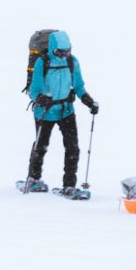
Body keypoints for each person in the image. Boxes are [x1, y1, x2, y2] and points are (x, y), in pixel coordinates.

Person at [25, 30, 99, 195]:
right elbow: (34, 90)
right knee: (40, 146)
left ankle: (69, 185)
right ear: (52, 49)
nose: (64, 55)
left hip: (66, 110)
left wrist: (88, 101)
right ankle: (34, 178)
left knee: (73, 148)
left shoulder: (72, 62)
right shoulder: (42, 63)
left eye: (67, 52)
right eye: (60, 52)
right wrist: (40, 98)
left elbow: (78, 86)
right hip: (45, 112)